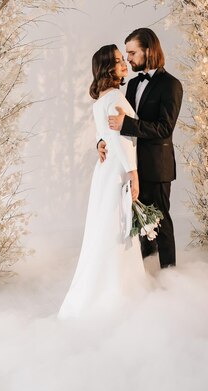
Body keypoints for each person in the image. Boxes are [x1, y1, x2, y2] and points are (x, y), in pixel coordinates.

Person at [58, 44, 147, 319]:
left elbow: (103, 135)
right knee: (117, 231)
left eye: (124, 59)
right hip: (117, 170)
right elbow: (120, 140)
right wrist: (133, 173)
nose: (123, 65)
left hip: (104, 172)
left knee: (105, 229)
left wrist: (100, 142)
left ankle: (101, 290)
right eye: (119, 61)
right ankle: (116, 295)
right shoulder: (116, 96)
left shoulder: (101, 100)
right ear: (108, 68)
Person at [100, 28, 183, 269]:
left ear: (149, 50)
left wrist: (128, 124)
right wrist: (102, 141)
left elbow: (164, 128)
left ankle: (169, 274)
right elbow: (115, 120)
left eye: (133, 52)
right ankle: (148, 269)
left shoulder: (171, 85)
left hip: (157, 166)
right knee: (140, 221)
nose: (128, 58)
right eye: (127, 53)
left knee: (160, 221)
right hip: (132, 165)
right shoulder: (133, 84)